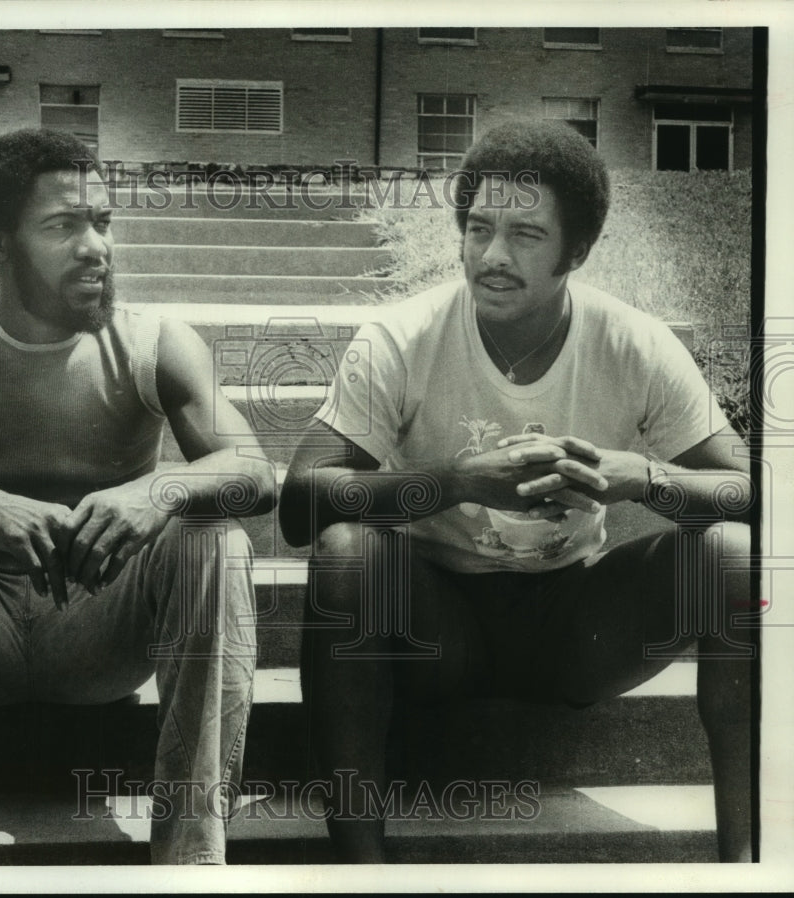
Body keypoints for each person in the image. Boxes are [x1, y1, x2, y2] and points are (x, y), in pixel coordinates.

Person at [279, 119, 755, 863]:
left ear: (578, 250)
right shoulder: (402, 336)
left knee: (734, 555)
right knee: (347, 554)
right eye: (478, 228)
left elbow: (756, 492)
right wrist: (456, 483)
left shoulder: (634, 342)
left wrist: (642, 477)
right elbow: (301, 501)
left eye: (526, 235)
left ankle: (749, 861)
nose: (492, 256)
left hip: (578, 624)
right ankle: (360, 872)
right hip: (440, 627)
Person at [0, 128, 275, 866]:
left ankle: (192, 863)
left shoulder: (157, 341)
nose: (96, 246)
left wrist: (155, 491)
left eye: (102, 222)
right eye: (63, 226)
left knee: (214, 537)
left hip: (102, 632)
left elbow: (253, 469)